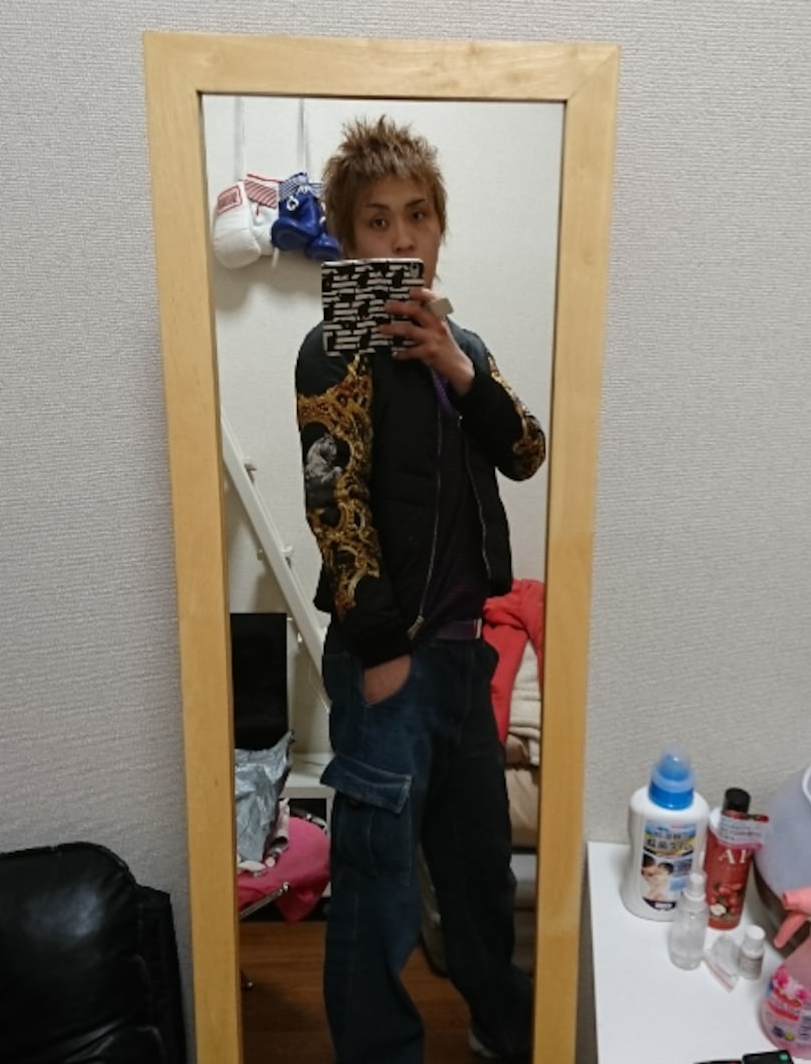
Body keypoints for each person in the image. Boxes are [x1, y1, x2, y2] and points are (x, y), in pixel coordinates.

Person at [295, 116, 546, 1064]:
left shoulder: (462, 342)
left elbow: (526, 451)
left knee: (479, 876)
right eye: (377, 221)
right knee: (377, 890)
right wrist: (384, 649)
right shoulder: (332, 351)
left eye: (418, 215)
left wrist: (459, 369)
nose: (402, 238)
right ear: (347, 238)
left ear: (440, 226)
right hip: (390, 658)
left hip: (462, 658)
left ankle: (504, 1033)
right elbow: (335, 505)